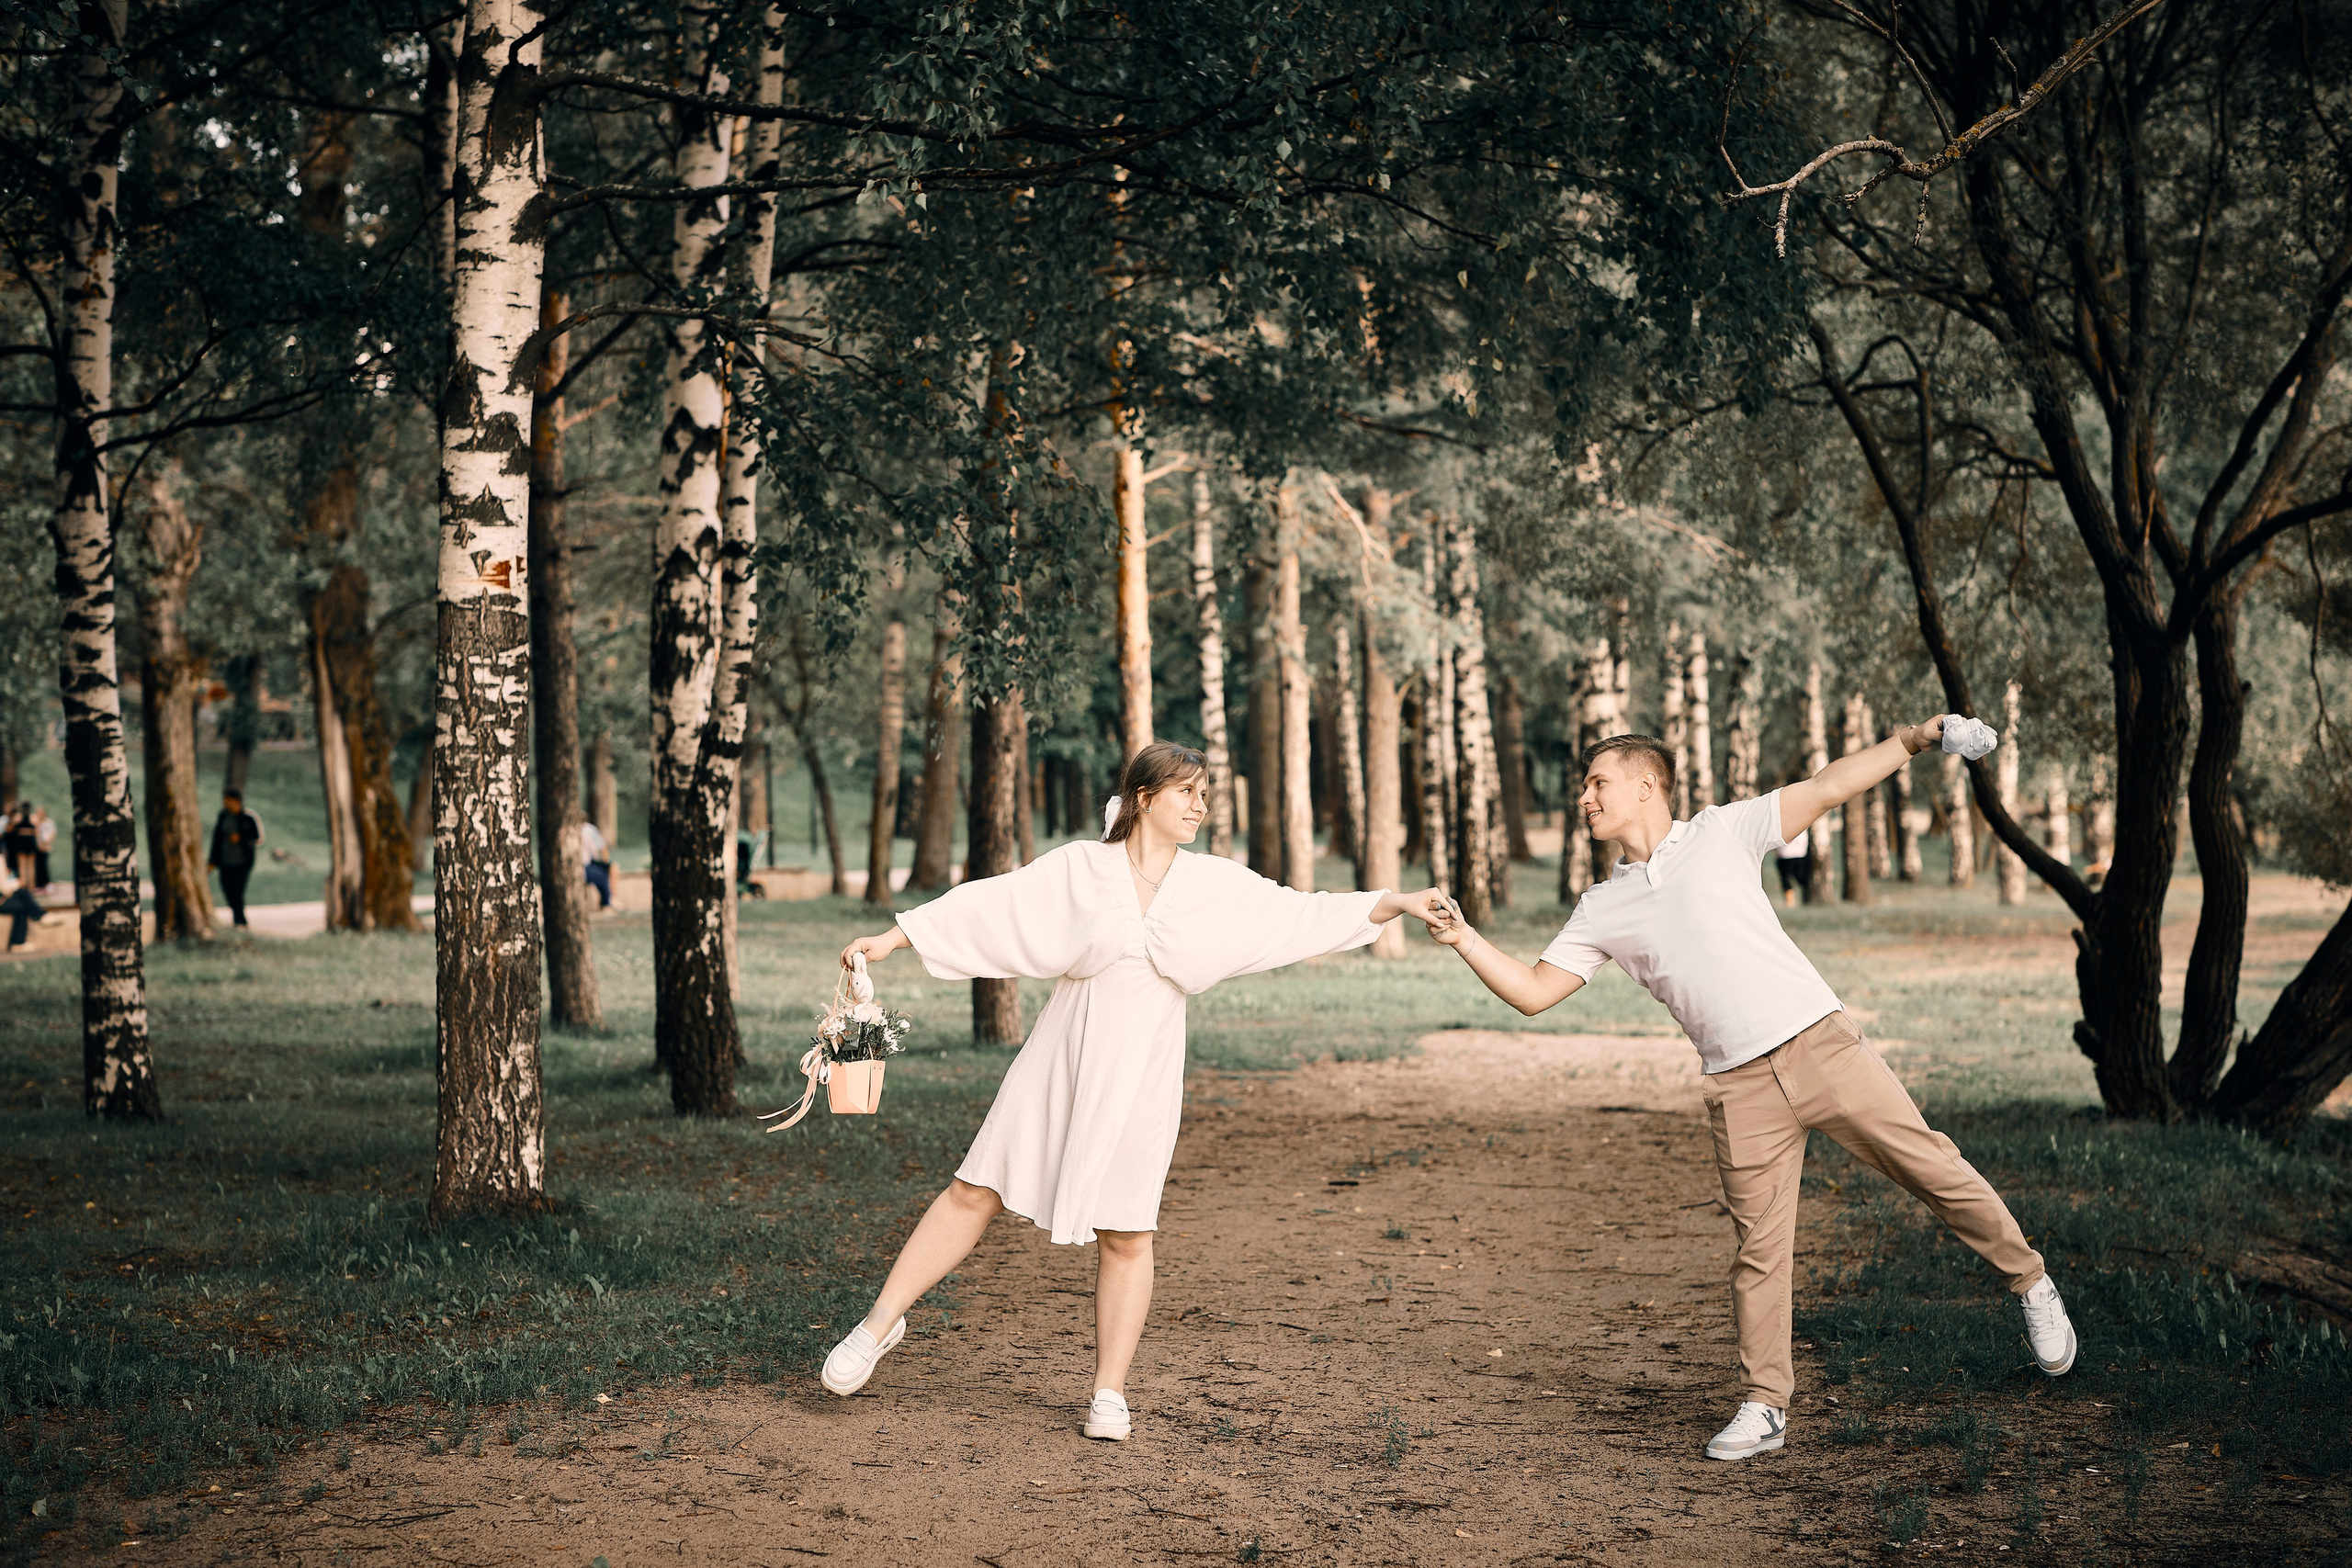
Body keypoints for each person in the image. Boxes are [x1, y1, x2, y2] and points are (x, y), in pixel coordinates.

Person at [1430, 723, 2075, 1463]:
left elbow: (1831, 785)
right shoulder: (1601, 905)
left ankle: (2031, 1282)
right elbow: (1536, 992)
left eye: (1596, 783)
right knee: (1760, 1252)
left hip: (1819, 1043)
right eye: (1584, 787)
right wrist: (1466, 939)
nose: (1584, 798)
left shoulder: (1721, 832)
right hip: (1737, 1086)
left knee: (1933, 1167)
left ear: (1645, 785)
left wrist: (1918, 737)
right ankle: (1766, 1403)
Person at [823, 739, 1456, 1441]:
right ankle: (877, 1325)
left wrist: (1397, 901)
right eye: (1188, 791)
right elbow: (992, 905)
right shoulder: (1082, 868)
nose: (1202, 805)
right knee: (976, 1188)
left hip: (1146, 1070)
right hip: (1062, 1054)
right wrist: (893, 937)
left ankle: (1108, 1390)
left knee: (1128, 1228)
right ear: (1144, 797)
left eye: (1206, 792)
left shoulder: (1213, 884)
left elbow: (1298, 913)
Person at [207, 789, 265, 929]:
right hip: (225, 862)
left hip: (242, 863)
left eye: (228, 800)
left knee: (237, 891)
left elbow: (257, 839)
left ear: (236, 801)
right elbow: (216, 840)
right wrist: (212, 861)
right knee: (227, 890)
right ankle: (238, 918)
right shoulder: (223, 817)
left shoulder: (248, 818)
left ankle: (240, 921)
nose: (225, 803)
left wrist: (240, 839)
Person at [1773, 827, 1811, 908]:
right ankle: (1797, 900)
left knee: (1786, 878)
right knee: (1801, 877)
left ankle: (1791, 903)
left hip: (1786, 852)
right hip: (1799, 851)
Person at [580, 818, 612, 909]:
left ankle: (609, 900)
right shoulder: (588, 830)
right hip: (585, 866)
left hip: (589, 863)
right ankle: (606, 903)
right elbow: (602, 848)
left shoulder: (588, 829)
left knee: (608, 870)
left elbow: (602, 849)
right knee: (602, 876)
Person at [30, 805, 55, 891]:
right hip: (37, 847)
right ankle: (38, 884)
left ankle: (45, 883)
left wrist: (45, 843)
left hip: (46, 847)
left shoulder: (49, 822)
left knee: (44, 865)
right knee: (38, 865)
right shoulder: (36, 822)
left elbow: (52, 834)